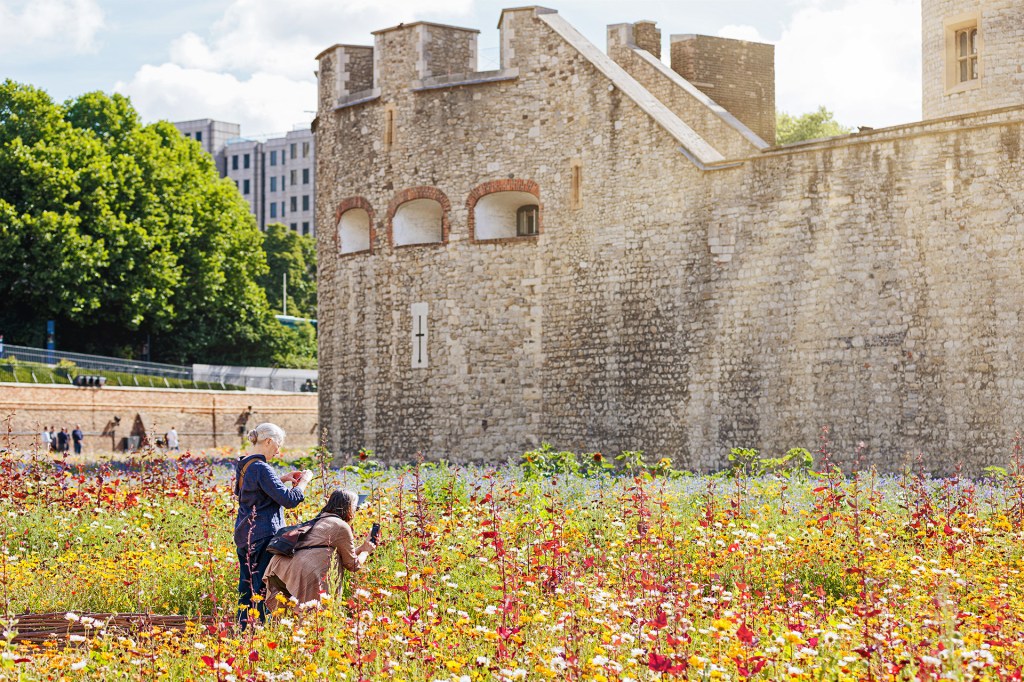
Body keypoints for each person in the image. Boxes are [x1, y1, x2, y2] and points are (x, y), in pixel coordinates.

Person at [234, 422, 312, 625]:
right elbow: (290, 500)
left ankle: (243, 629)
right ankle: (260, 631)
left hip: (245, 534)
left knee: (246, 588)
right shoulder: (261, 468)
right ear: (268, 441)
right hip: (262, 535)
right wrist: (304, 481)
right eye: (278, 445)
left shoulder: (244, 464)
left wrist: (281, 479)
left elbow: (253, 492)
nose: (278, 451)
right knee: (262, 587)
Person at [264, 489, 377, 611]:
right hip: (303, 572)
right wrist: (366, 551)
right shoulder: (341, 526)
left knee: (284, 616)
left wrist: (360, 548)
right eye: (356, 508)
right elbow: (353, 565)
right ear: (349, 508)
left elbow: (323, 550)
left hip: (279, 568)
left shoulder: (320, 519)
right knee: (310, 618)